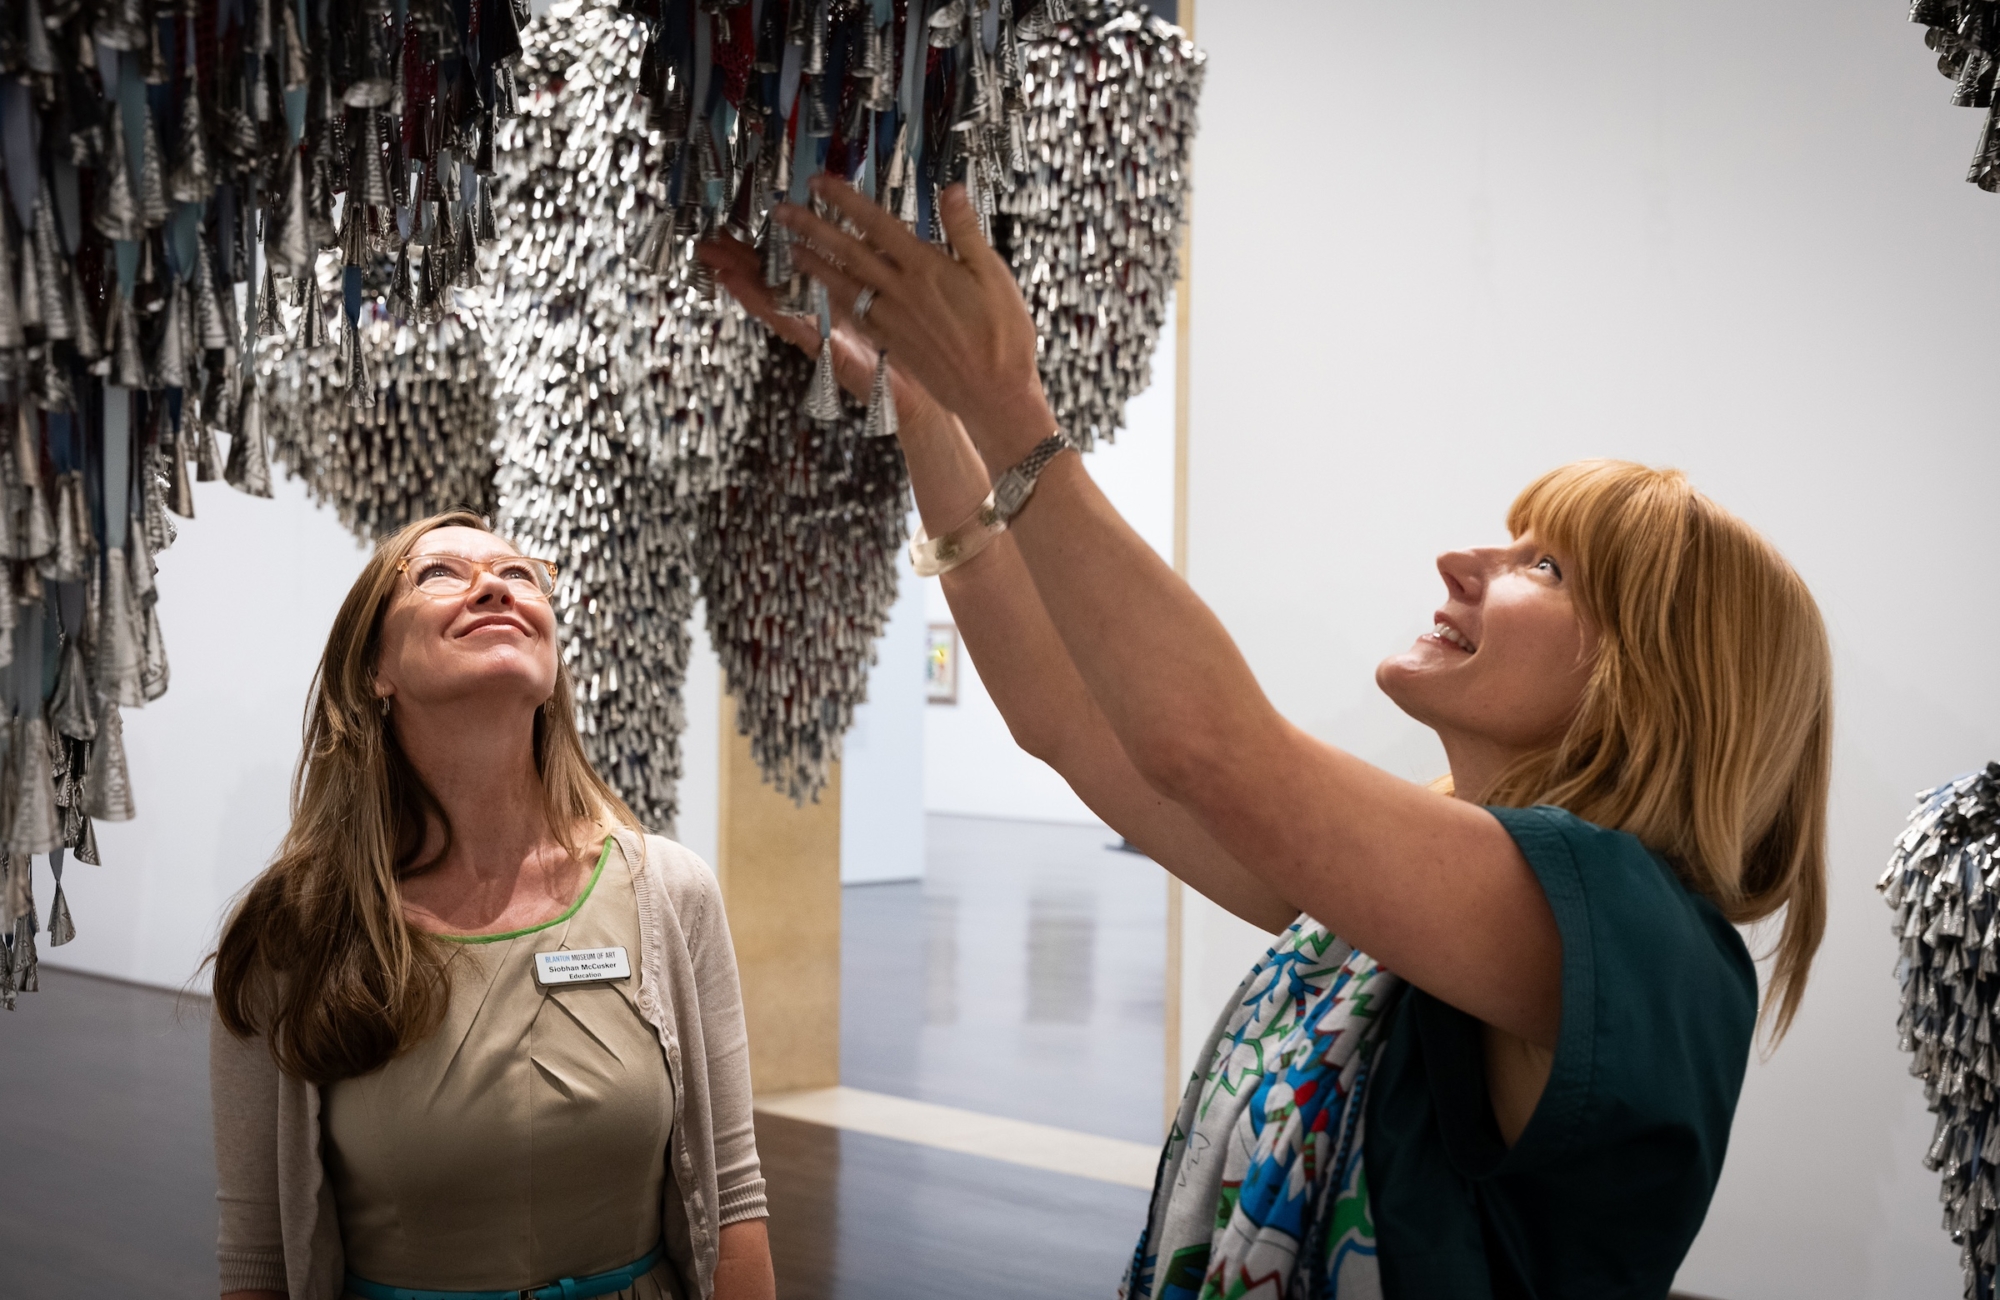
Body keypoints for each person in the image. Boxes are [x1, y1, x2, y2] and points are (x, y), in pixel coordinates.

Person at [701, 180, 1830, 1299]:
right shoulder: (1397, 909)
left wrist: (1007, 401)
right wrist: (925, 404)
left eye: (1544, 566)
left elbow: (1206, 745)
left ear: (1655, 679)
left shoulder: (1631, 934)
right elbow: (1065, 717)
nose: (1460, 562)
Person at [207, 511, 774, 1300]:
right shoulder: (292, 933)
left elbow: (735, 1199)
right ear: (375, 667)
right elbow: (259, 1261)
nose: (494, 589)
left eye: (520, 576)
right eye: (440, 573)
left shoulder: (672, 895)